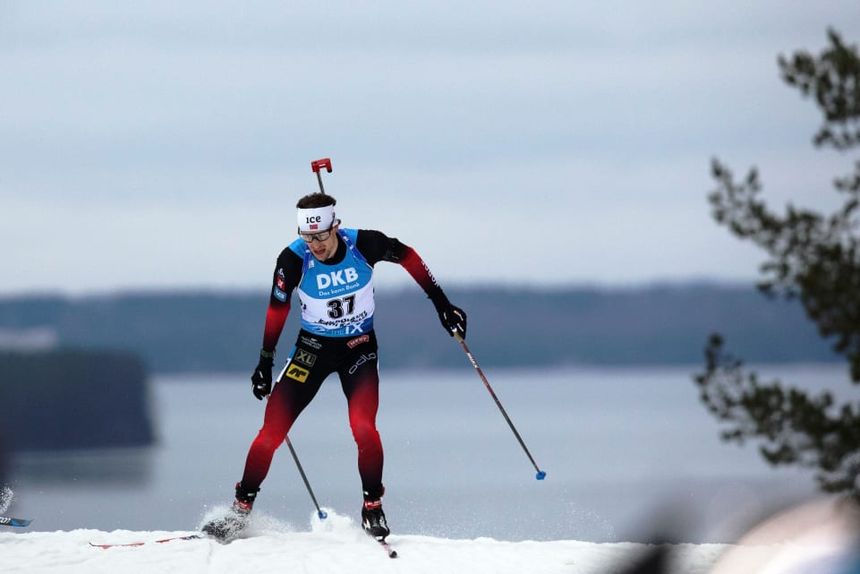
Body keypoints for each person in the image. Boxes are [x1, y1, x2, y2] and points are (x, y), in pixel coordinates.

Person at [203, 191, 467, 542]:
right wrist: (265, 361)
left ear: (335, 227)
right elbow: (276, 310)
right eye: (307, 237)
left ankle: (372, 508)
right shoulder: (293, 260)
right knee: (270, 434)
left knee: (363, 428)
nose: (315, 245)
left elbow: (408, 256)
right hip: (312, 351)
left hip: (358, 348)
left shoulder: (364, 245)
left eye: (321, 236)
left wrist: (442, 304)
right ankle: (239, 512)